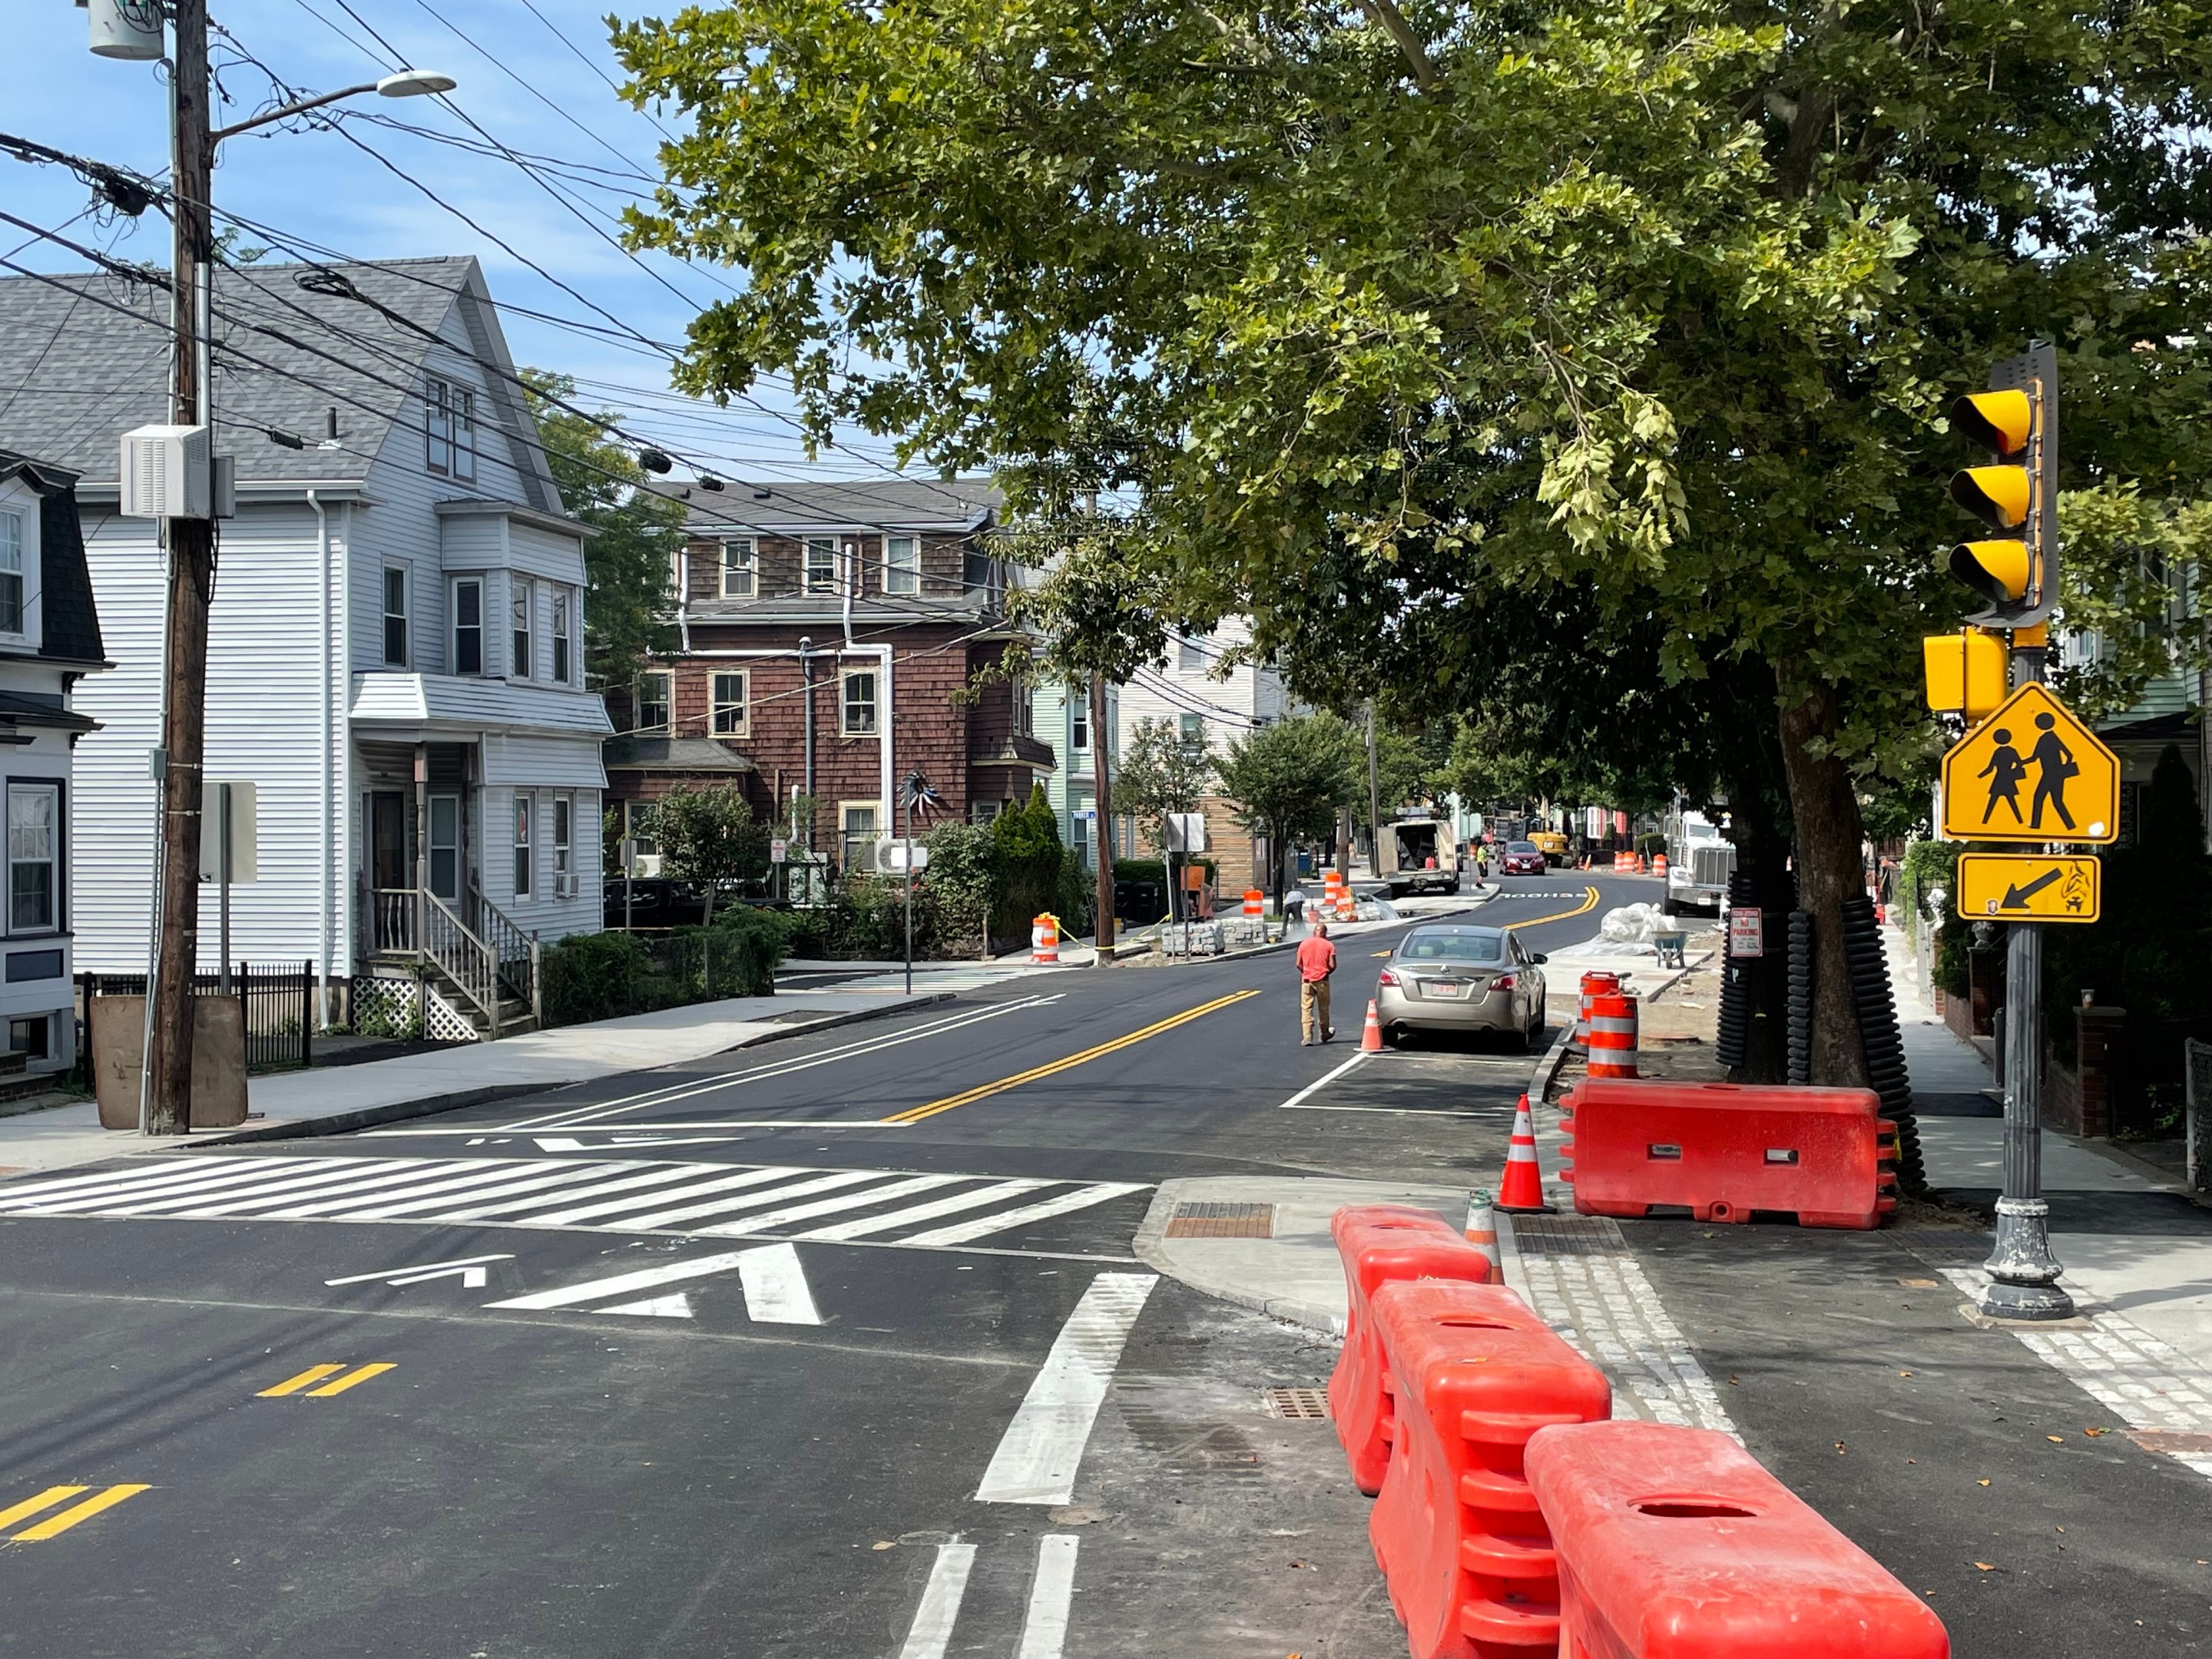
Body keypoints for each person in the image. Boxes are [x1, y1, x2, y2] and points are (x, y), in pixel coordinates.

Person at [1296, 916, 1338, 1046]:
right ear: (1325, 933)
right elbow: (1333, 965)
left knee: (1306, 1009)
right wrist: (1325, 973)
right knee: (1323, 1008)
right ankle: (1324, 1033)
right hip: (1322, 981)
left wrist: (1306, 972)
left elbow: (1298, 964)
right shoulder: (1329, 945)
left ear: (1314, 932)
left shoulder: (1304, 944)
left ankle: (1307, 1036)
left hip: (1307, 981)